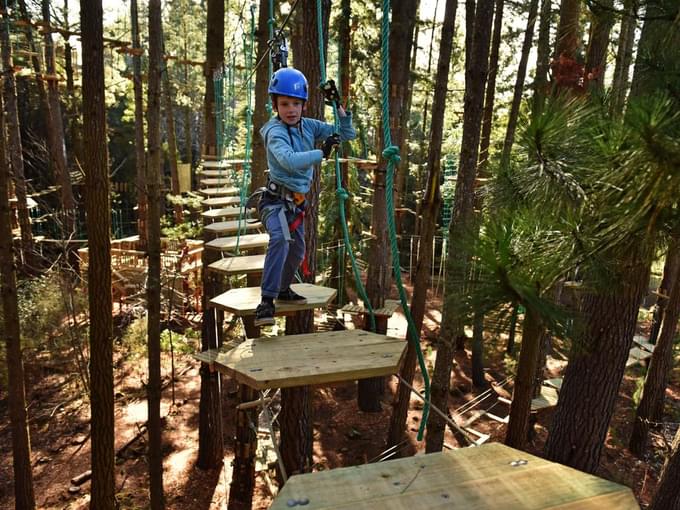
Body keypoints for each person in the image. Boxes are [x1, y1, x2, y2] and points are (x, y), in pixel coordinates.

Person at [254, 67, 356, 327]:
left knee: (298, 249)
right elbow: (288, 162)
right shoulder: (273, 131)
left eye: (296, 103)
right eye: (285, 103)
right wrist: (321, 153)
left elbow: (345, 134)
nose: (291, 109)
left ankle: (284, 288)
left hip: (295, 203)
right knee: (280, 239)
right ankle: (266, 301)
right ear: (275, 104)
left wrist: (337, 105)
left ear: (303, 105)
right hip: (274, 201)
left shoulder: (308, 126)